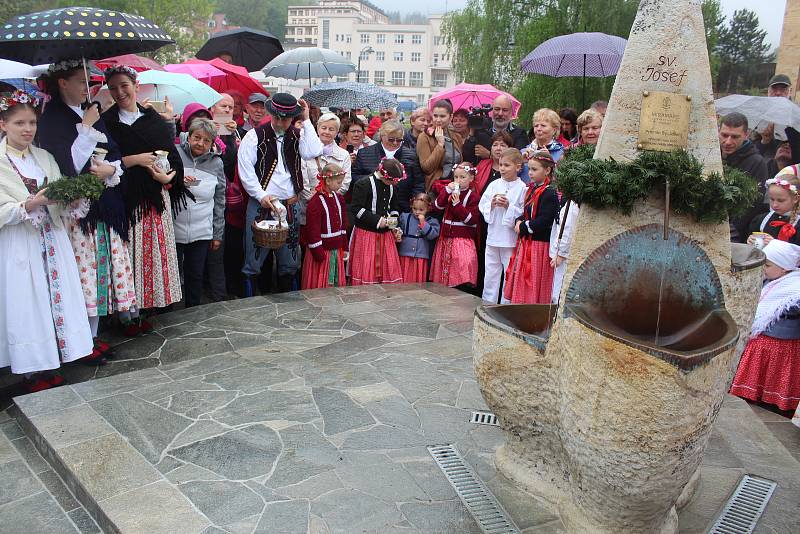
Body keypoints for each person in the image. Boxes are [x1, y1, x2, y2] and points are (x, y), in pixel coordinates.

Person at [38, 60, 133, 361]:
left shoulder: (89, 109)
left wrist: (111, 167)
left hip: (104, 205)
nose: (86, 87)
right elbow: (67, 164)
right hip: (78, 212)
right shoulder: (53, 118)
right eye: (80, 81)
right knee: (82, 276)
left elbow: (114, 151)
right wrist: (87, 128)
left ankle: (91, 336)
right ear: (62, 83)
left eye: (88, 81)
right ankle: (81, 341)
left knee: (100, 273)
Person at [0, 91, 93, 391]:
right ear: (3, 125)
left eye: (31, 122)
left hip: (51, 238)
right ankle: (31, 369)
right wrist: (28, 205)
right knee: (27, 302)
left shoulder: (43, 158)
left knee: (55, 295)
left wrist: (71, 197)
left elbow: (59, 194)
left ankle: (54, 359)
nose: (27, 129)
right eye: (19, 123)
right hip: (19, 241)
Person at [102, 66, 190, 329]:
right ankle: (127, 313)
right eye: (114, 87)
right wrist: (133, 160)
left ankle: (149, 308)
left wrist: (168, 179)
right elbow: (103, 161)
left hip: (154, 197)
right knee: (128, 256)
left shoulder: (153, 120)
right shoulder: (107, 123)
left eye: (124, 85)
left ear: (135, 85)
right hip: (125, 199)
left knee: (151, 255)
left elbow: (173, 159)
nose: (120, 92)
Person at [237, 93, 324, 295]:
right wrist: (261, 196)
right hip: (261, 205)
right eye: (276, 117)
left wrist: (306, 119)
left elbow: (313, 151)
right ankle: (249, 305)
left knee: (290, 260)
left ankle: (290, 306)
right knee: (253, 260)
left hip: (290, 204)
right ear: (271, 113)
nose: (280, 122)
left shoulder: (297, 134)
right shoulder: (254, 136)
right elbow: (246, 172)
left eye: (285, 119)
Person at [730, 239, 800, 412]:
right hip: (764, 340)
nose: (763, 269)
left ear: (784, 268)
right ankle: (753, 393)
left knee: (774, 374)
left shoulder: (794, 289)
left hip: (781, 343)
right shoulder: (771, 282)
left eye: (767, 265)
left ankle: (770, 399)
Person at [174, 118, 226, 307]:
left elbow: (220, 200)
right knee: (171, 275)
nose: (200, 144)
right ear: (188, 136)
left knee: (195, 276)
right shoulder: (176, 154)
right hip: (174, 228)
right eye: (197, 137)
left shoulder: (216, 163)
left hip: (202, 231)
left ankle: (192, 316)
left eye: (206, 141)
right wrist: (179, 179)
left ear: (212, 144)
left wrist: (217, 233)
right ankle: (168, 316)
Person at [504, 150, 558, 304]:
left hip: (539, 245)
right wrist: (518, 221)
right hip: (527, 242)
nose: (531, 173)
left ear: (547, 170)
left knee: (532, 275)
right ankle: (521, 305)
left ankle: (532, 306)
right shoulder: (532, 189)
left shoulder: (550, 193)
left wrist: (523, 227)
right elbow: (525, 212)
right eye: (530, 169)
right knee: (523, 274)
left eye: (535, 169)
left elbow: (544, 220)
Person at [479, 148, 527, 304]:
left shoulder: (522, 188)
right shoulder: (494, 184)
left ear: (518, 167)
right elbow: (483, 203)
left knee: (509, 274)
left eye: (507, 165)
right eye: (500, 164)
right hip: (493, 236)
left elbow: (523, 211)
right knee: (490, 273)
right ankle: (488, 303)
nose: (502, 168)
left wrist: (509, 207)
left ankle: (505, 305)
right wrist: (491, 205)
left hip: (509, 239)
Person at [348, 158, 405, 285]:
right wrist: (378, 220)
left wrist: (393, 225)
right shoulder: (363, 184)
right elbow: (356, 209)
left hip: (386, 236)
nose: (394, 184)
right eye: (392, 181)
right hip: (366, 234)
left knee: (387, 269)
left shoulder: (391, 186)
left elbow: (395, 207)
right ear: (383, 175)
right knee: (368, 265)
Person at [351, 119, 425, 213]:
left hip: (402, 207)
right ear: (382, 136)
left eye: (399, 140)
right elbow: (355, 177)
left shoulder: (411, 155)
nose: (395, 143)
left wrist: (414, 204)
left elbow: (418, 182)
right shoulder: (364, 153)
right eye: (391, 139)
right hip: (371, 207)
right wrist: (376, 179)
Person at [208, 93, 240, 301]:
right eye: (224, 106)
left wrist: (235, 141)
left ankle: (228, 288)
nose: (228, 110)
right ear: (213, 109)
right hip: (209, 197)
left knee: (230, 247)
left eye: (231, 107)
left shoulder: (234, 132)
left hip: (230, 200)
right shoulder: (206, 130)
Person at [720, 112, 769, 242]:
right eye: (724, 135)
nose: (728, 141)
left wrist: (730, 232)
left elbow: (751, 206)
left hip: (733, 234)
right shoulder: (712, 154)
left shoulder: (757, 163)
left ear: (746, 135)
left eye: (735, 137)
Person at [430, 163, 480, 288]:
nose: (458, 180)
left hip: (462, 240)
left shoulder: (473, 197)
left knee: (461, 266)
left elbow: (471, 219)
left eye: (462, 177)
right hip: (445, 238)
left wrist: (457, 205)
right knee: (444, 271)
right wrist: (446, 191)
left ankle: (461, 288)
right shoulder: (448, 192)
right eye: (456, 177)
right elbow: (436, 207)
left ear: (471, 179)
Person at [301, 163, 348, 289]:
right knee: (322, 284)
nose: (341, 185)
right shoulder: (315, 203)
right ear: (327, 180)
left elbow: (343, 225)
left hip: (336, 249)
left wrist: (344, 246)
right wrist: (318, 253)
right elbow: (313, 230)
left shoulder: (339, 199)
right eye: (338, 182)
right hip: (322, 252)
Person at [301, 113, 352, 206]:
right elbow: (302, 179)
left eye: (331, 129)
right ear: (317, 129)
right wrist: (312, 198)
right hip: (309, 205)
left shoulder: (344, 155)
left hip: (332, 205)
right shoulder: (306, 152)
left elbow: (345, 182)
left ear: (336, 133)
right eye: (324, 128)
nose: (327, 132)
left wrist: (329, 197)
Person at [462, 94, 528, 164]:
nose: (500, 113)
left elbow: (518, 160)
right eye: (497, 109)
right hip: (481, 173)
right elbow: (466, 158)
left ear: (511, 112)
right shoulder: (481, 130)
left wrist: (490, 155)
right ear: (492, 110)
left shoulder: (519, 133)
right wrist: (472, 133)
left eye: (505, 110)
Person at [417, 99, 464, 193]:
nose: (438, 120)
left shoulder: (456, 136)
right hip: (436, 188)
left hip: (455, 187)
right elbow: (427, 168)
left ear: (451, 117)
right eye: (435, 116)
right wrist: (440, 144)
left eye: (442, 116)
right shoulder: (425, 136)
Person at [746, 166, 800, 246]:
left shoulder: (798, 224)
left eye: (780, 200)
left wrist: (775, 245)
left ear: (795, 198)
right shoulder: (761, 220)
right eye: (772, 199)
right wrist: (750, 240)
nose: (774, 205)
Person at [398, 192, 440, 283]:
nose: (417, 212)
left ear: (428, 209)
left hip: (421, 257)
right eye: (414, 209)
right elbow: (398, 230)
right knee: (404, 279)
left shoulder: (432, 221)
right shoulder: (405, 217)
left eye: (421, 210)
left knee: (417, 280)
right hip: (405, 255)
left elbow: (432, 235)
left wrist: (423, 223)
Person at [550, 200, 580, 304]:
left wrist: (561, 254)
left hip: (566, 255)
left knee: (559, 291)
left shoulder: (572, 205)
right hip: (561, 251)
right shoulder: (568, 202)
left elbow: (568, 230)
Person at [757, 74, 792, 162]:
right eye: (774, 89)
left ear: (790, 92)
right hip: (763, 165)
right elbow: (752, 150)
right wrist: (764, 141)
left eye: (783, 89)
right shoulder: (758, 114)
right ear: (768, 92)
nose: (778, 93)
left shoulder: (795, 116)